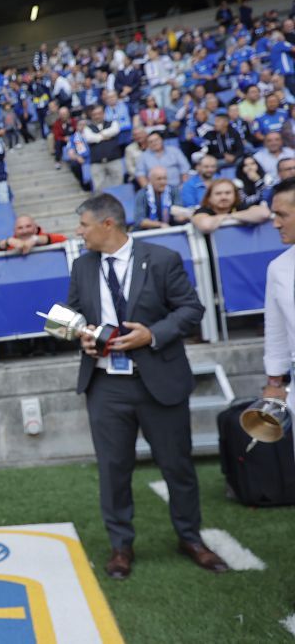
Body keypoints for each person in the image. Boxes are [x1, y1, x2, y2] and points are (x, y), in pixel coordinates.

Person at [68, 193, 225, 580]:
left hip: (159, 380)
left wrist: (151, 335)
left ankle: (190, 537)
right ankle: (121, 546)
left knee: (178, 466)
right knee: (113, 469)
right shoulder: (82, 266)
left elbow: (191, 309)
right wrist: (81, 334)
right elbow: (72, 312)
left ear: (108, 224)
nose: (79, 232)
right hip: (105, 384)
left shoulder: (161, 258)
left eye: (84, 224)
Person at [263, 178, 295, 420]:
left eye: (281, 215)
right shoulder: (278, 267)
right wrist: (274, 380)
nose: (275, 224)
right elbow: (276, 330)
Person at [191, 178, 271, 234]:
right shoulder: (203, 210)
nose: (223, 197)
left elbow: (264, 213)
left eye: (228, 193)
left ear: (235, 195)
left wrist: (229, 216)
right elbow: (206, 225)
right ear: (209, 197)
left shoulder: (240, 207)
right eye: (218, 194)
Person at [83, 105, 124, 191]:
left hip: (114, 159)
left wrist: (98, 136)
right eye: (94, 114)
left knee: (119, 185)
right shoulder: (87, 128)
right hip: (97, 162)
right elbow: (89, 138)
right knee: (99, 188)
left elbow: (115, 130)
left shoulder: (113, 123)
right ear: (91, 115)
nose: (97, 116)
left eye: (99, 113)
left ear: (103, 114)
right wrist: (105, 136)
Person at [0, 215, 66, 254]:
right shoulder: (11, 243)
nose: (25, 231)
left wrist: (36, 239)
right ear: (14, 231)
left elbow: (63, 240)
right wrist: (7, 242)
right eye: (20, 228)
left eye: (28, 226)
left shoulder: (45, 237)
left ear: (35, 228)